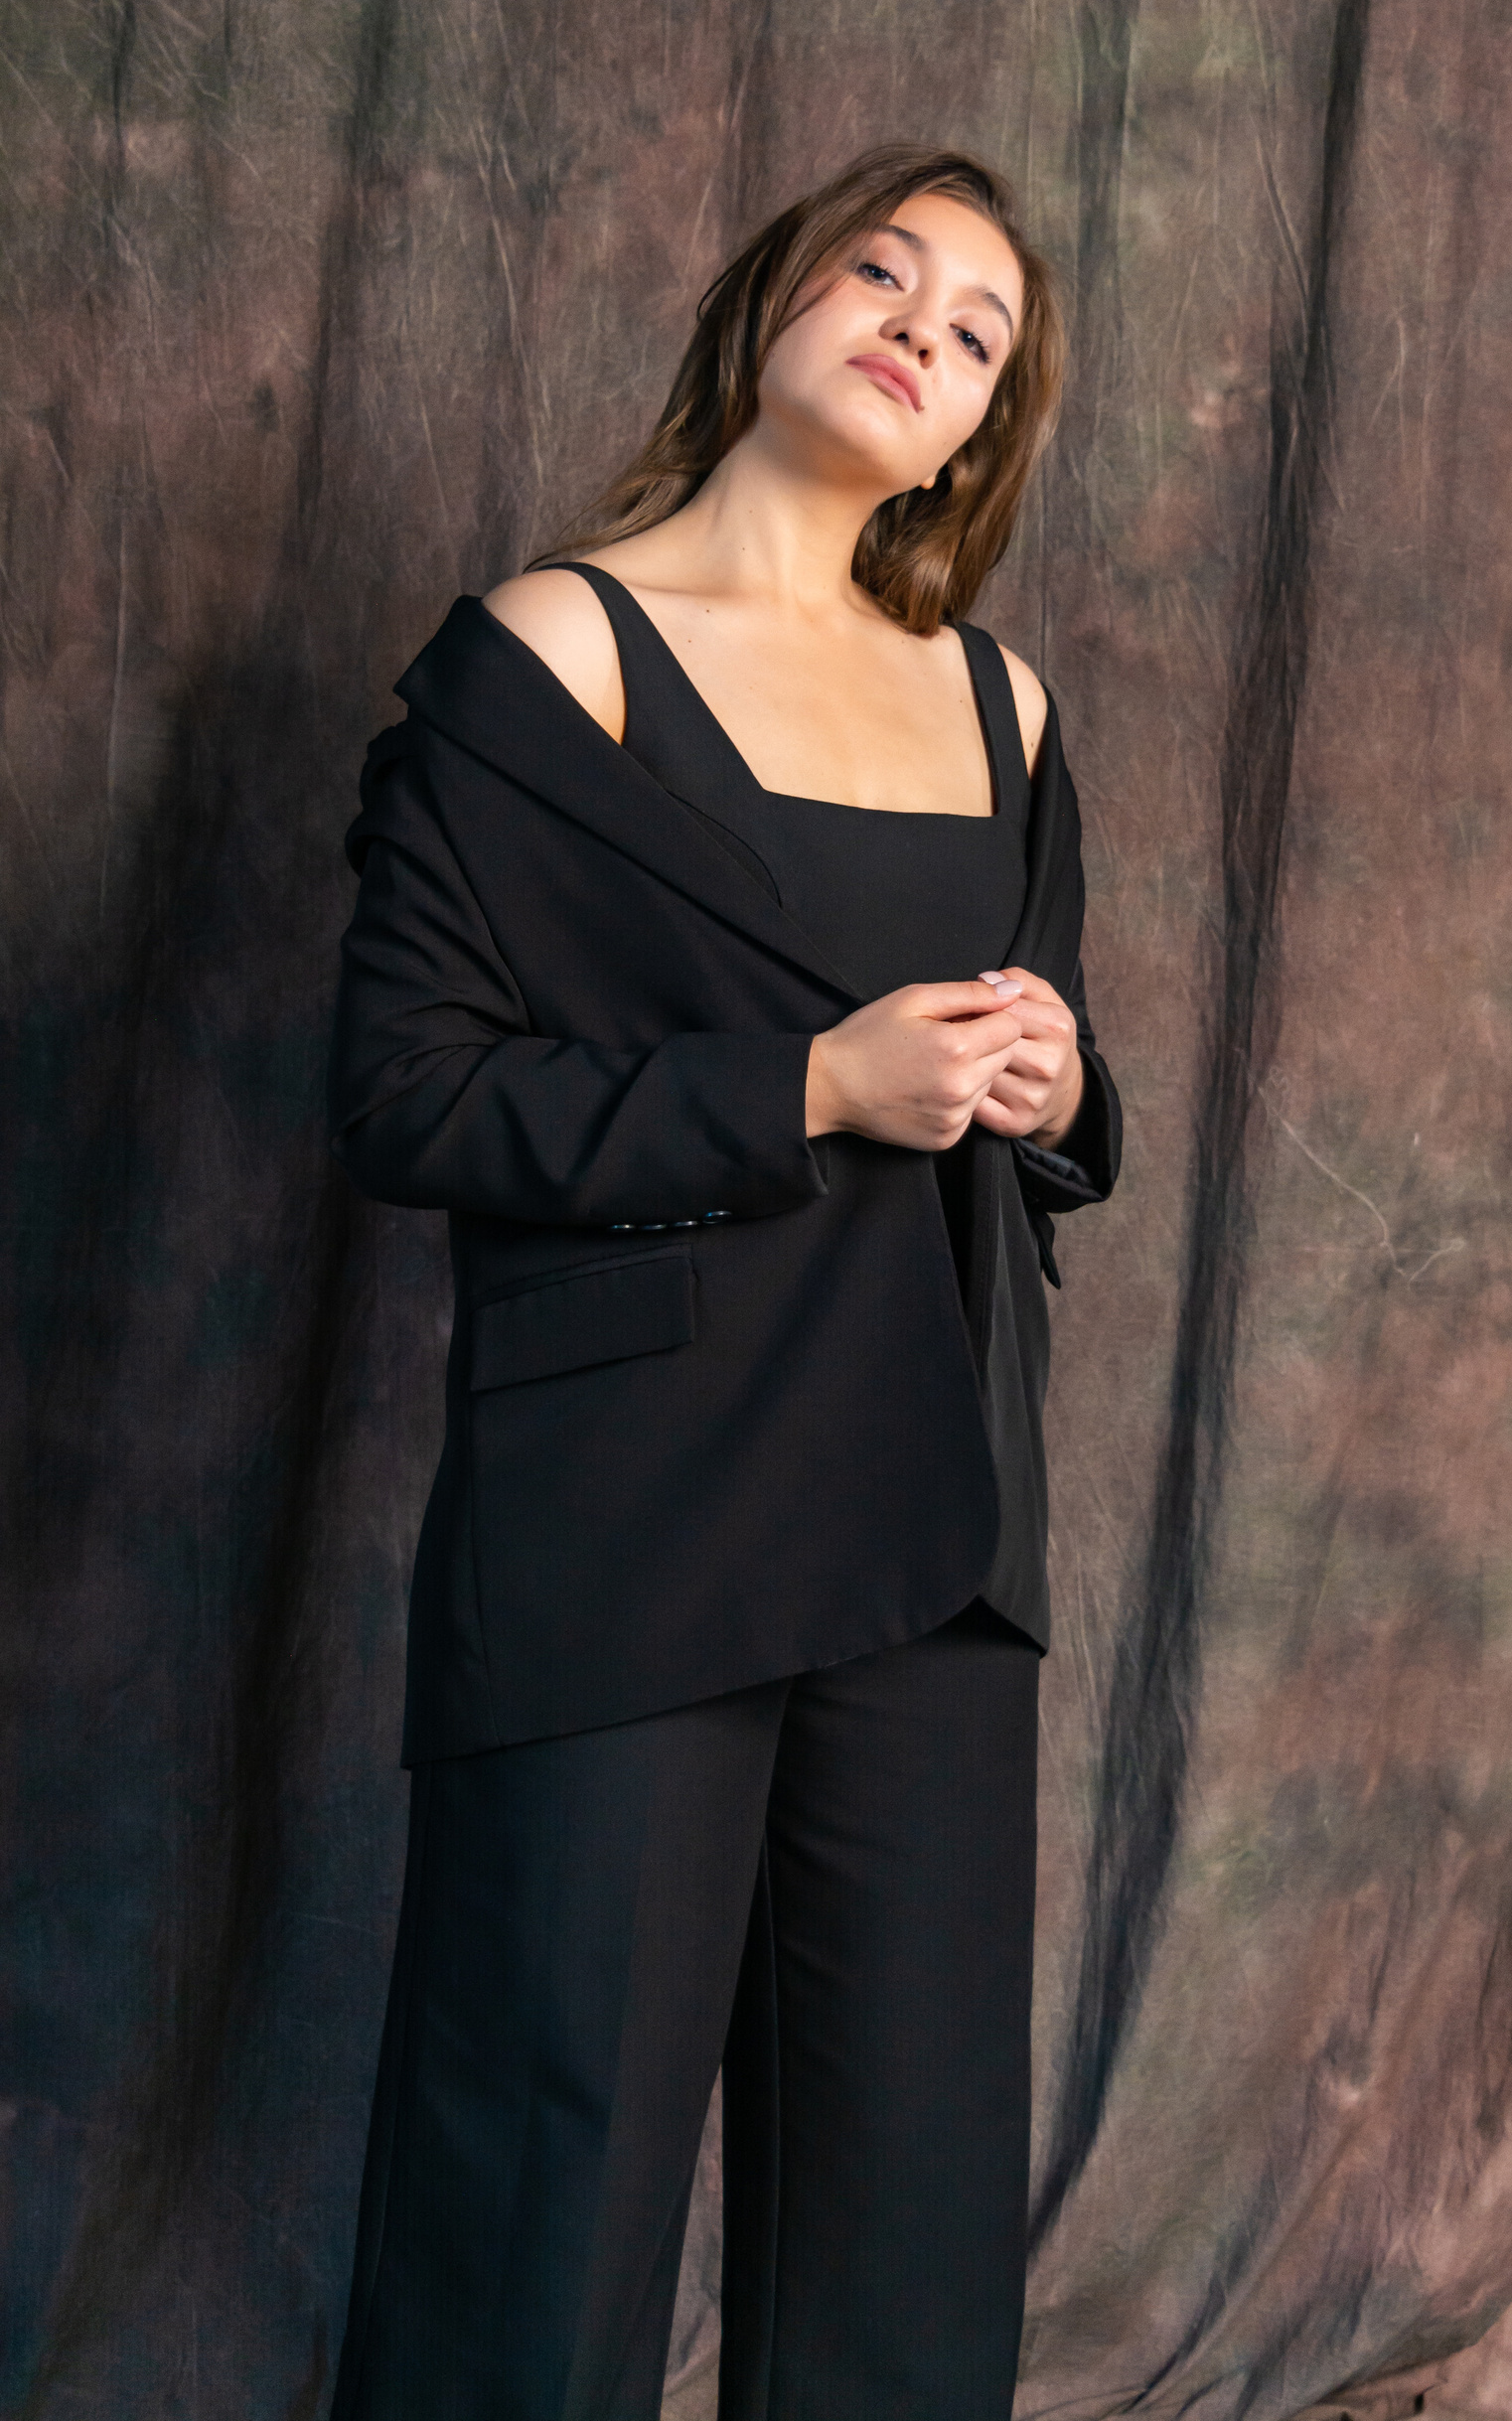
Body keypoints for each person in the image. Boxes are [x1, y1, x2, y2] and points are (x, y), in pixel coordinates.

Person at [326, 144, 1123, 2421]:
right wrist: (806, 1088)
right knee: (536, 2204)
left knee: (907, 2241)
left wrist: (1062, 1083)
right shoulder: (548, 654)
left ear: (974, 435)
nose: (920, 330)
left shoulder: (1004, 707)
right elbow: (403, 1097)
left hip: (936, 1532)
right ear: (778, 299)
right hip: (627, 1526)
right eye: (886, 271)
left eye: (975, 334)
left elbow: (1040, 1095)